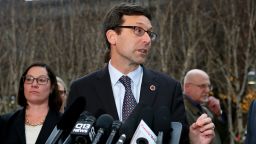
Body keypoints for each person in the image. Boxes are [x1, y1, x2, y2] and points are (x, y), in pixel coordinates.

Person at [67, 3, 215, 144]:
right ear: (112, 36)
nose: (147, 40)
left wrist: (193, 141)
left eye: (149, 33)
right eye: (138, 30)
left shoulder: (169, 88)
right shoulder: (82, 90)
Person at [0, 62, 62, 144]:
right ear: (23, 85)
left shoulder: (65, 123)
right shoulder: (5, 122)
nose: (34, 84)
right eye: (29, 79)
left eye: (41, 80)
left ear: (52, 87)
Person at [183, 69, 228, 144]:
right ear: (187, 87)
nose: (207, 90)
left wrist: (218, 113)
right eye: (202, 86)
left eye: (209, 86)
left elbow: (223, 136)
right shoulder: (180, 109)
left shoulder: (206, 109)